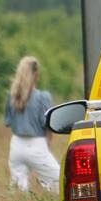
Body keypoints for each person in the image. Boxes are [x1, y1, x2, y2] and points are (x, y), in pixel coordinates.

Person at [4, 56, 60, 193]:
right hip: (36, 144)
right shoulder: (43, 97)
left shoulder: (12, 96)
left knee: (18, 189)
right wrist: (47, 144)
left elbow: (8, 122)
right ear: (36, 75)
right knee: (59, 182)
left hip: (16, 145)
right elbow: (48, 125)